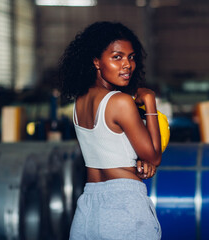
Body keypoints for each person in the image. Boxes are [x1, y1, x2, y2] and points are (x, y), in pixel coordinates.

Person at [59, 21, 162, 240]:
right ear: (96, 61)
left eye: (131, 57)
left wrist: (140, 162)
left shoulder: (80, 102)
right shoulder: (120, 102)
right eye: (117, 57)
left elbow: (109, 149)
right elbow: (153, 154)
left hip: (88, 207)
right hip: (123, 206)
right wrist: (150, 103)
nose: (127, 65)